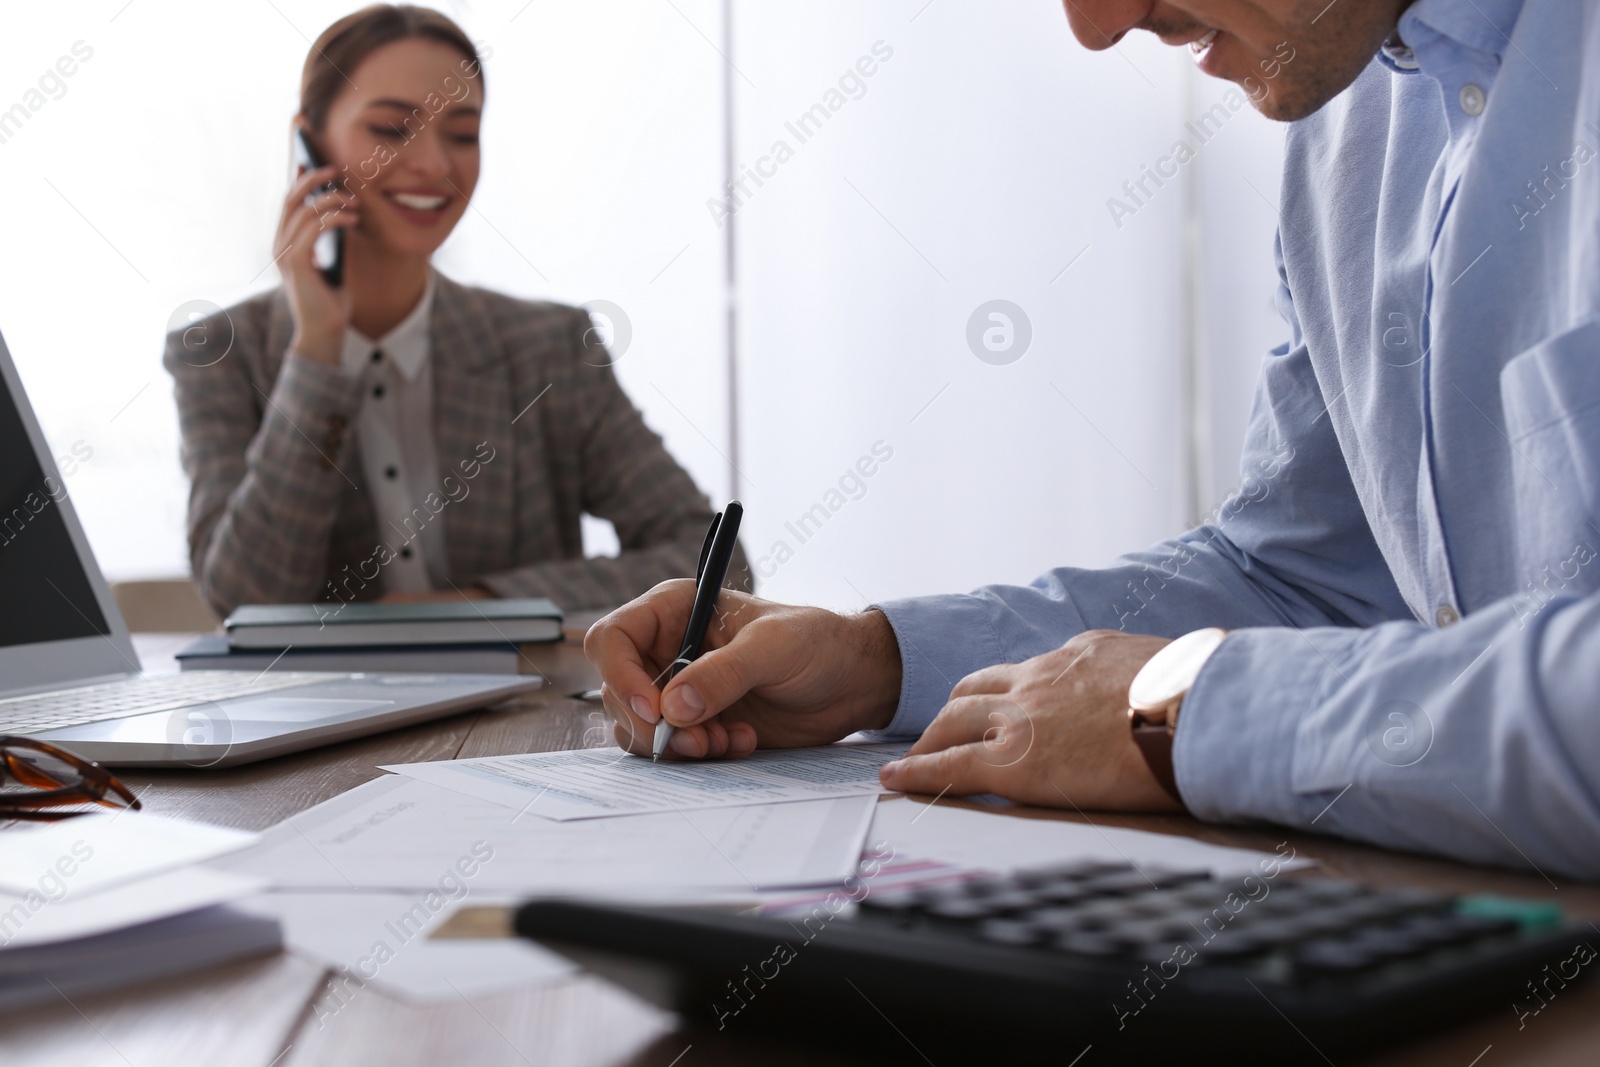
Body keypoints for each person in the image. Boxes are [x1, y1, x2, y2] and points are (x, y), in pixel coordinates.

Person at [587, 0, 1600, 880]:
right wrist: (875, 663)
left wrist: (1188, 713)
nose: (1096, 24)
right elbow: (1304, 579)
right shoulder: (1351, 128)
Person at [165, 4, 746, 618]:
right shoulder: (219, 351)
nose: (436, 165)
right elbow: (246, 601)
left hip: (521, 708)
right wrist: (318, 353)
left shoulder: (549, 347)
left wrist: (479, 604)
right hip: (327, 713)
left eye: (462, 133)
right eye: (392, 129)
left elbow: (717, 563)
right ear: (308, 142)